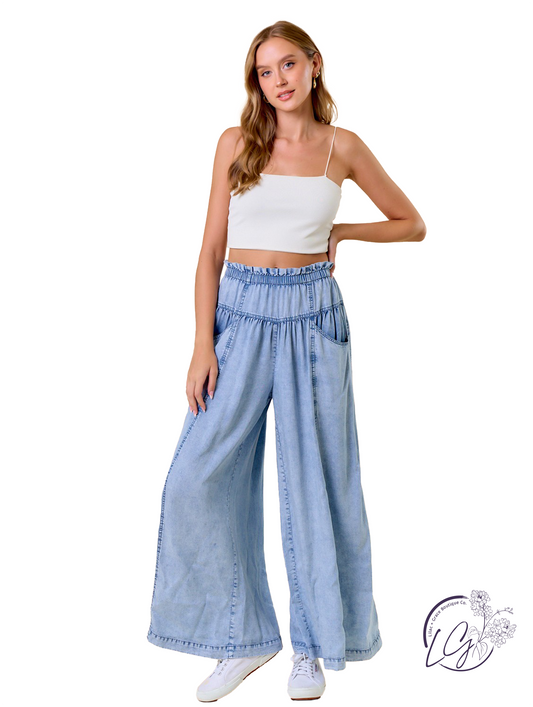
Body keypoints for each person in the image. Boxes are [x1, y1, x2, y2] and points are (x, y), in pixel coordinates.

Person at [146, 19, 426, 703]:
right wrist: (202, 342)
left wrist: (343, 230)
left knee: (316, 483)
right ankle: (243, 637)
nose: (278, 80)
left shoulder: (341, 147)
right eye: (265, 71)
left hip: (311, 313)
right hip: (238, 315)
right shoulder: (235, 142)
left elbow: (411, 223)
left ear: (314, 64)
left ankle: (313, 645)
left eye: (289, 65)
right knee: (194, 479)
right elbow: (210, 252)